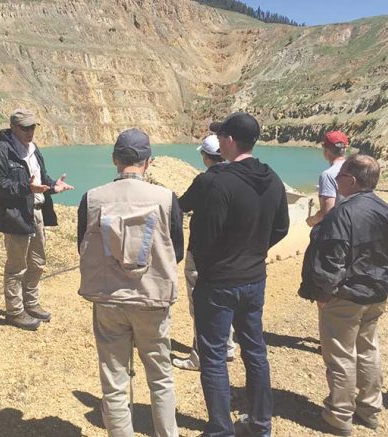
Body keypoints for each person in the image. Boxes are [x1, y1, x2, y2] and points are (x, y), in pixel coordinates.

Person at [77, 128, 184, 437]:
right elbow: (175, 249)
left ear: (115, 160)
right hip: (152, 299)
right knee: (160, 377)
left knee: (114, 379)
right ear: (148, 162)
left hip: (109, 299)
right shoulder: (166, 198)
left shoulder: (93, 198)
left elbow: (83, 246)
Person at [191, 112, 289, 437]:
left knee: (215, 356)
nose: (217, 142)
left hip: (219, 283)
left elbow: (204, 237)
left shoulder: (218, 181)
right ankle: (260, 425)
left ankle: (220, 429)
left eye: (220, 137)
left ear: (230, 140)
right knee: (255, 350)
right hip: (254, 278)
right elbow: (281, 227)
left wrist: (208, 267)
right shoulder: (273, 178)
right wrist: (254, 249)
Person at [299, 154, 388, 436]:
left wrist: (324, 293)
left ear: (352, 180)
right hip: (376, 294)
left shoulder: (342, 214)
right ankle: (370, 410)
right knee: (368, 350)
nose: (336, 180)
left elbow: (331, 260)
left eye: (341, 176)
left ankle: (339, 415)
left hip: (345, 296)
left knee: (341, 356)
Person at [0, 108, 74, 330]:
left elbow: (41, 179)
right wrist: (26, 187)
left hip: (36, 212)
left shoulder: (33, 150)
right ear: (13, 127)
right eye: (25, 128)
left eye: (33, 127)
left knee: (37, 262)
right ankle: (15, 312)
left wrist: (53, 186)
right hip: (16, 215)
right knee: (17, 266)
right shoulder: (2, 150)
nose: (30, 132)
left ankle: (31, 304)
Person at [173, 134, 236, 371]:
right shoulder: (238, 177)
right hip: (231, 253)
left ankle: (200, 355)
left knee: (200, 304)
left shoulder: (204, 181)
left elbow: (180, 205)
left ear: (205, 156)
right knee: (225, 301)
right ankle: (227, 346)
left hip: (202, 253)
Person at [307, 131, 349, 227]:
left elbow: (327, 212)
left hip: (339, 228)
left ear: (326, 150)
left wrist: (312, 221)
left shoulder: (328, 175)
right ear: (345, 149)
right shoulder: (355, 167)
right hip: (356, 224)